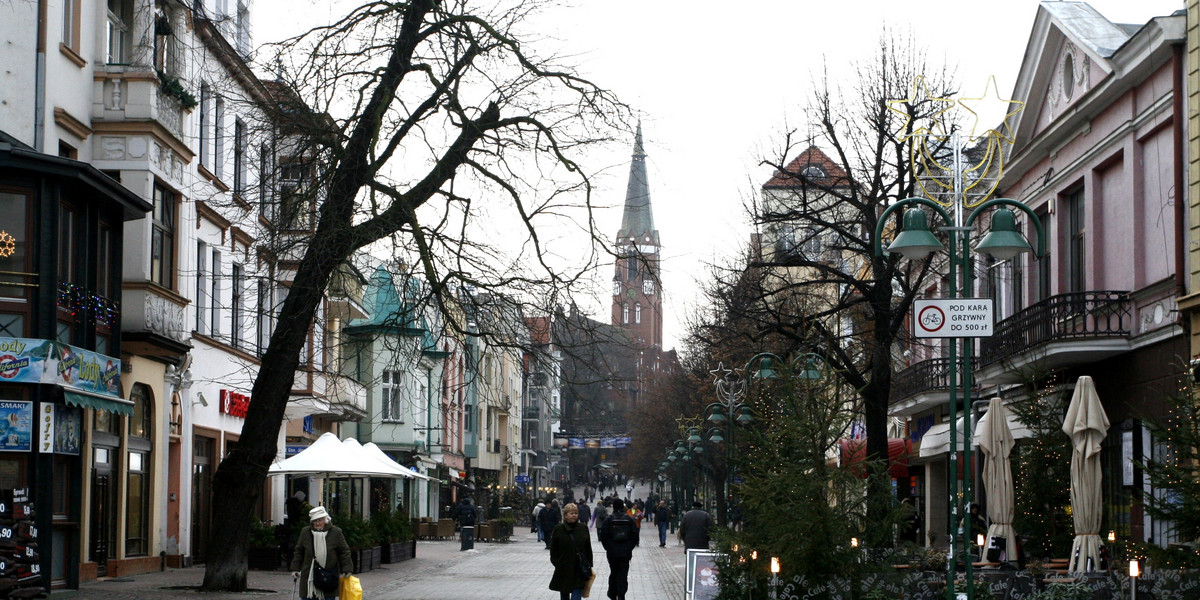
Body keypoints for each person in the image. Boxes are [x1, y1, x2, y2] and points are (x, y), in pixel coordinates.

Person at [291, 506, 352, 600]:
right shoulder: (306, 532)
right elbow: (299, 551)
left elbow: (344, 551)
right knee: (308, 596)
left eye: (320, 520)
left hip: (329, 576)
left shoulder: (335, 532)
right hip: (309, 577)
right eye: (315, 521)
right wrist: (295, 568)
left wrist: (347, 569)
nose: (317, 523)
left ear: (326, 519)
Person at [549, 503, 593, 600]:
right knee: (564, 593)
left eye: (576, 513)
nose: (574, 515)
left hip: (579, 567)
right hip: (564, 567)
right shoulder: (559, 529)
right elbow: (554, 549)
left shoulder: (583, 528)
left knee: (577, 593)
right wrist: (557, 562)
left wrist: (589, 565)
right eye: (571, 513)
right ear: (565, 515)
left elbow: (587, 548)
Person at [598, 498, 639, 600]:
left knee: (614, 572)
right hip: (625, 553)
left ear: (614, 507)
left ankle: (612, 593)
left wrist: (609, 548)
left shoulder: (609, 519)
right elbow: (635, 536)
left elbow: (603, 536)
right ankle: (621, 594)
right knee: (623, 573)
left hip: (612, 553)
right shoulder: (629, 519)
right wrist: (628, 548)